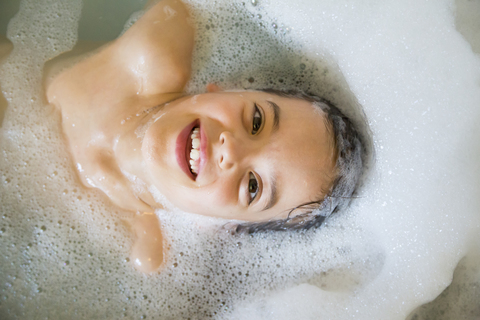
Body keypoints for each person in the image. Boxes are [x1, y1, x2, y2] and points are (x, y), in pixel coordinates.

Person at [45, 0, 364, 273]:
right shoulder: (154, 48)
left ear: (219, 225)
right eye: (256, 120)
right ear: (226, 89)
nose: (231, 150)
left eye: (252, 187)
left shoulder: (137, 245)